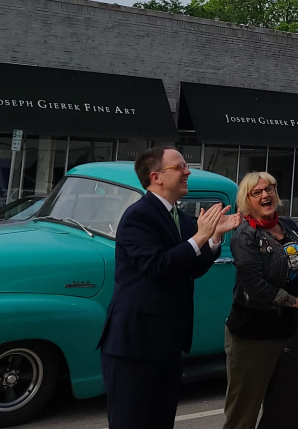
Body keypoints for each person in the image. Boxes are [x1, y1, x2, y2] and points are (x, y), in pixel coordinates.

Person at [98, 147, 240, 429]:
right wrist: (200, 236)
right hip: (135, 346)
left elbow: (192, 268)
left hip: (168, 345)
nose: (188, 171)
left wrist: (213, 239)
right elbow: (157, 267)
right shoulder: (138, 216)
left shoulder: (181, 219)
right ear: (156, 177)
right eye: (181, 167)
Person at [223, 172, 298, 429]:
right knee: (243, 416)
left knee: (282, 409)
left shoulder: (289, 225)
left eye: (269, 189)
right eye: (256, 192)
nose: (265, 195)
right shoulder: (245, 236)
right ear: (247, 200)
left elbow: (289, 264)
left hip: (288, 332)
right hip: (253, 336)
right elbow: (255, 285)